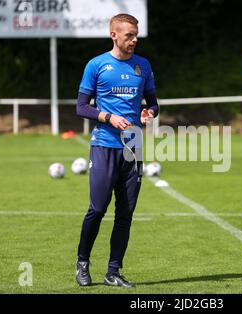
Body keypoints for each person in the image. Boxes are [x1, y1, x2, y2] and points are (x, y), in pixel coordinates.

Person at [74, 13, 159, 288]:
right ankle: (83, 263)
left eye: (136, 35)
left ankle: (113, 271)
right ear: (114, 35)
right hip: (104, 145)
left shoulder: (143, 66)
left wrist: (148, 112)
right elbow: (82, 106)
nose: (134, 40)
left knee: (126, 213)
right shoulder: (96, 65)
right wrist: (108, 117)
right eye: (129, 35)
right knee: (97, 209)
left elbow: (154, 104)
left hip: (133, 145)